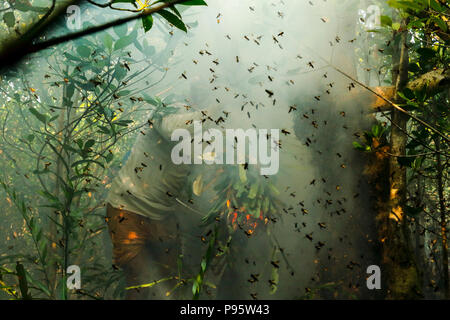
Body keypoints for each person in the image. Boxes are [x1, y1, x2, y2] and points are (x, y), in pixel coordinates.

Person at [105, 99, 222, 299]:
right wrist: (215, 108)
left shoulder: (202, 127)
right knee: (141, 281)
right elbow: (172, 129)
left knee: (171, 282)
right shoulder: (166, 109)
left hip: (162, 216)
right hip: (128, 210)